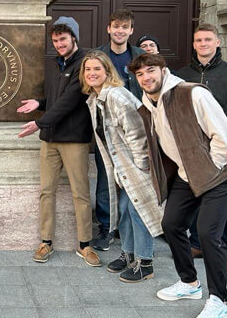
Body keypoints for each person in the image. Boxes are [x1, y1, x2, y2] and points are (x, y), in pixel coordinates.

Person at [129, 53, 227, 318]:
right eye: (140, 74)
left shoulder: (192, 94)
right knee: (171, 224)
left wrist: (210, 167)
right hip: (187, 173)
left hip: (222, 171)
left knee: (207, 233)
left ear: (163, 70)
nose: (146, 78)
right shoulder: (148, 103)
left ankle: (220, 301)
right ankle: (190, 283)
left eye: (151, 71)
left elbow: (223, 136)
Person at [17, 16, 99, 267]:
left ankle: (85, 245)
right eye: (55, 40)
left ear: (74, 37)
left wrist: (39, 122)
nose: (59, 44)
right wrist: (39, 104)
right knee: (46, 192)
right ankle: (45, 242)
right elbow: (55, 98)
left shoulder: (85, 63)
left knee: (80, 194)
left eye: (63, 39)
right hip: (50, 140)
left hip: (73, 139)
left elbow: (70, 100)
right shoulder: (55, 64)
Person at [80, 51, 163, 282]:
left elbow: (138, 132)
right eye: (88, 69)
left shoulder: (117, 95)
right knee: (125, 210)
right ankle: (128, 254)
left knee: (138, 211)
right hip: (121, 165)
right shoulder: (94, 99)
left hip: (137, 163)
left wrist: (141, 166)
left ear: (108, 72)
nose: (92, 73)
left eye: (97, 69)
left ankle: (145, 263)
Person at [176, 23, 227, 276]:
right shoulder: (181, 75)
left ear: (218, 42)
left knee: (225, 204)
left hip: (223, 151)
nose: (203, 44)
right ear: (193, 44)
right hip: (191, 151)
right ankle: (197, 243)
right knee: (196, 196)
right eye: (198, 40)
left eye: (208, 39)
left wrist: (223, 142)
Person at [93, 9, 145, 251]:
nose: (120, 31)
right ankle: (106, 228)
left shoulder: (141, 57)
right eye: (116, 26)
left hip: (134, 132)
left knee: (134, 180)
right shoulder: (97, 57)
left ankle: (132, 227)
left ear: (131, 30)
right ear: (109, 29)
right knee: (105, 183)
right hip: (105, 131)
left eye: (125, 27)